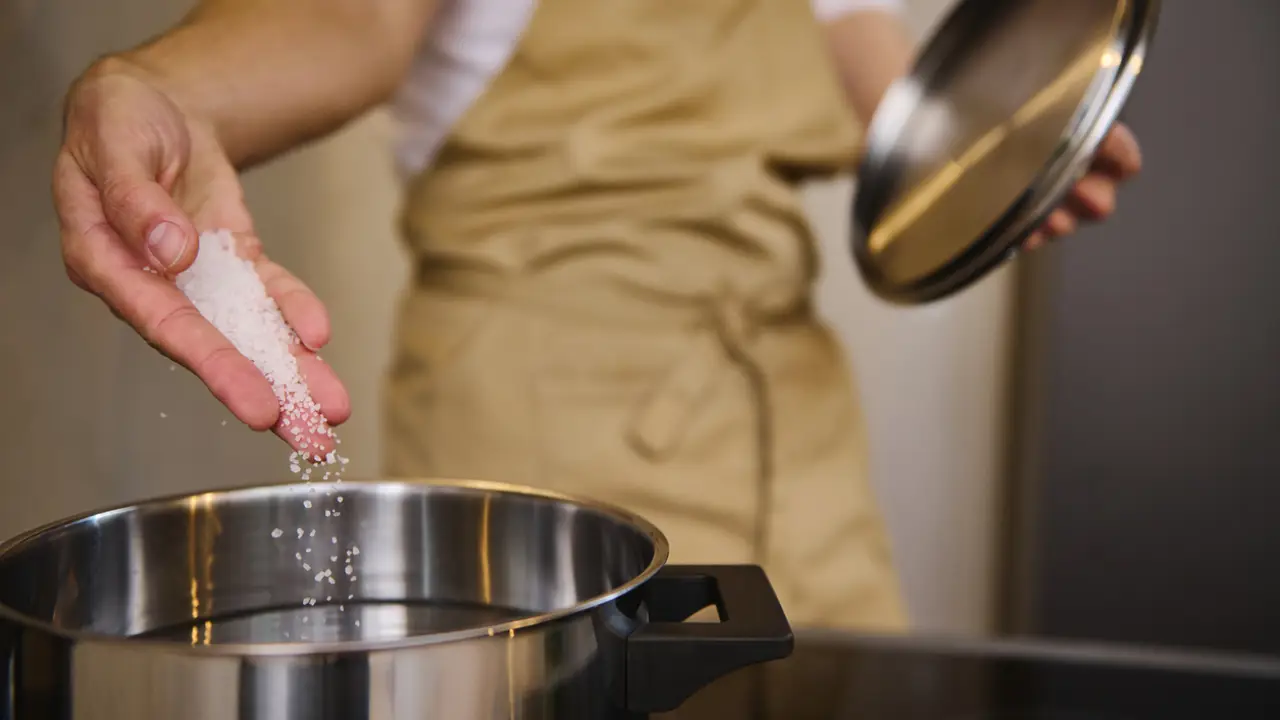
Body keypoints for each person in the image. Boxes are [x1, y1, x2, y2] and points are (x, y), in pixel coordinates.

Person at [53, 0, 1142, 631]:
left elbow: (897, 101)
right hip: (549, 439)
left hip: (797, 438)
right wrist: (172, 86)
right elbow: (353, 14)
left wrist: (1013, 143)